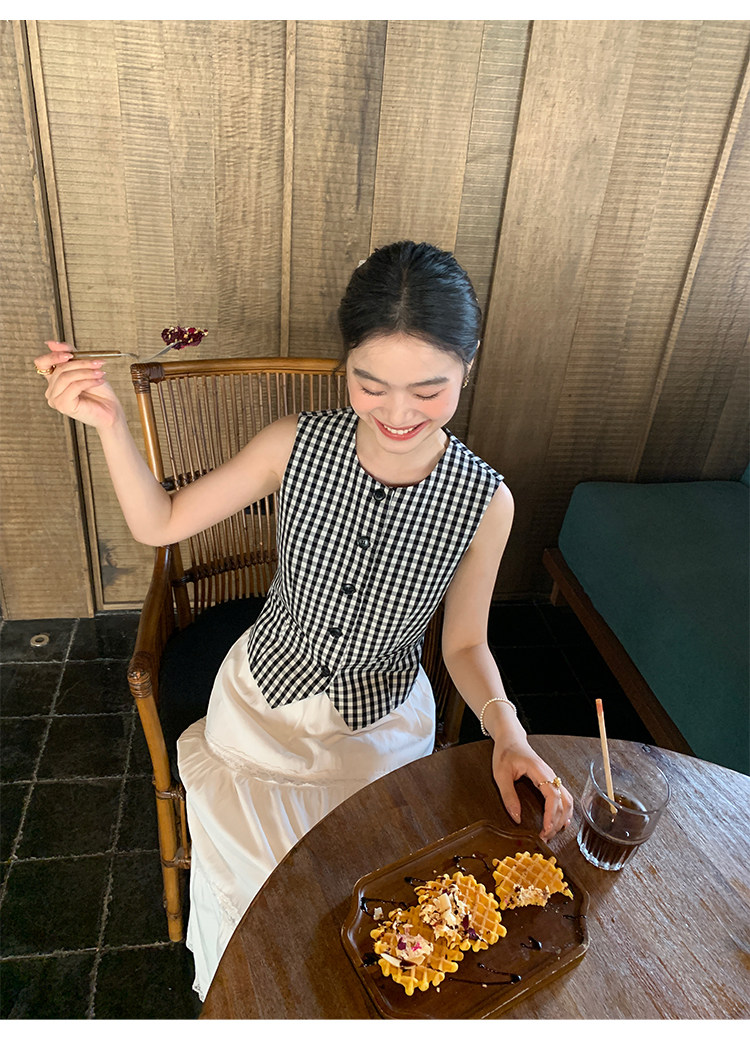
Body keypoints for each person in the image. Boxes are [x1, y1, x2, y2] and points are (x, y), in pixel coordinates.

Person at [35, 240, 574, 999]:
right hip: (261, 707)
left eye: (429, 390)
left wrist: (509, 734)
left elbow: (463, 643)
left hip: (379, 730)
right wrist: (108, 424)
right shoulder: (295, 444)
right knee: (257, 897)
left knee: (365, 906)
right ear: (345, 364)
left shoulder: (486, 500)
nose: (397, 414)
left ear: (468, 366)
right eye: (369, 385)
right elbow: (160, 523)